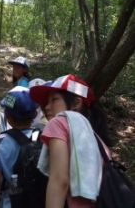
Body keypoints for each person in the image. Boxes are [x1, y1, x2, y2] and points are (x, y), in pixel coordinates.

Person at [29, 74, 112, 208]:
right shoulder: (94, 137)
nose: (47, 107)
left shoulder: (59, 122)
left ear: (76, 103)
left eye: (54, 99)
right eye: (46, 102)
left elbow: (60, 181)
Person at [0, 86, 41, 208]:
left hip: (11, 202)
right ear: (35, 114)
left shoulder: (0, 141)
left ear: (6, 114)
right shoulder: (43, 137)